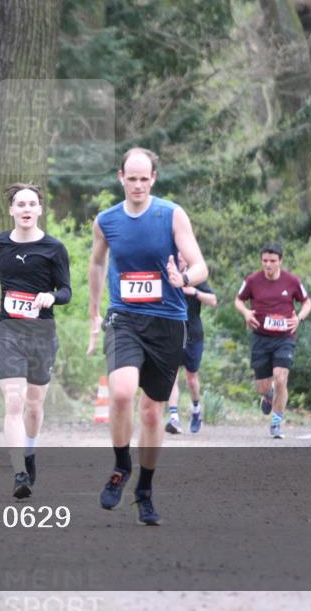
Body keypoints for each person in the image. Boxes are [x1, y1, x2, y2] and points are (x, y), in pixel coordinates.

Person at [87, 147, 208, 525]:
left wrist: (183, 279)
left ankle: (145, 491)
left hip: (168, 321)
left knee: (153, 412)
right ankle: (122, 465)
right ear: (120, 178)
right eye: (131, 178)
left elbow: (200, 265)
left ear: (153, 178)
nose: (138, 185)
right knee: (122, 392)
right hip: (124, 317)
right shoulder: (106, 220)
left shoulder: (171, 215)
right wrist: (93, 312)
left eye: (144, 178)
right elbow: (96, 261)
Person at [0, 183, 71, 499]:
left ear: (40, 209)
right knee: (14, 399)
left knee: (34, 403)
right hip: (9, 331)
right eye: (20, 204)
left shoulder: (54, 248)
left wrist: (50, 296)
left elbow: (67, 291)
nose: (26, 209)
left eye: (32, 204)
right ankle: (18, 472)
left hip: (41, 333)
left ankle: (29, 453)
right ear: (12, 210)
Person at [234, 242, 311, 439]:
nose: (268, 264)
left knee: (281, 378)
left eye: (272, 261)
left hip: (285, 338)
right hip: (261, 337)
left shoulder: (292, 281)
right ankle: (267, 397)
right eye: (265, 261)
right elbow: (238, 300)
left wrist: (299, 318)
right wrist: (245, 313)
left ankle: (277, 422)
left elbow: (307, 302)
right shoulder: (252, 280)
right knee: (263, 387)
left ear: (280, 261)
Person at [166, 259, 217, 434]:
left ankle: (196, 409)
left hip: (193, 334)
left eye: (181, 257)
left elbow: (213, 301)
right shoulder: (166, 276)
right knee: (171, 375)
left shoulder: (195, 278)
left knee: (191, 378)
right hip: (172, 333)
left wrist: (194, 292)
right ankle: (173, 417)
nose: (178, 259)